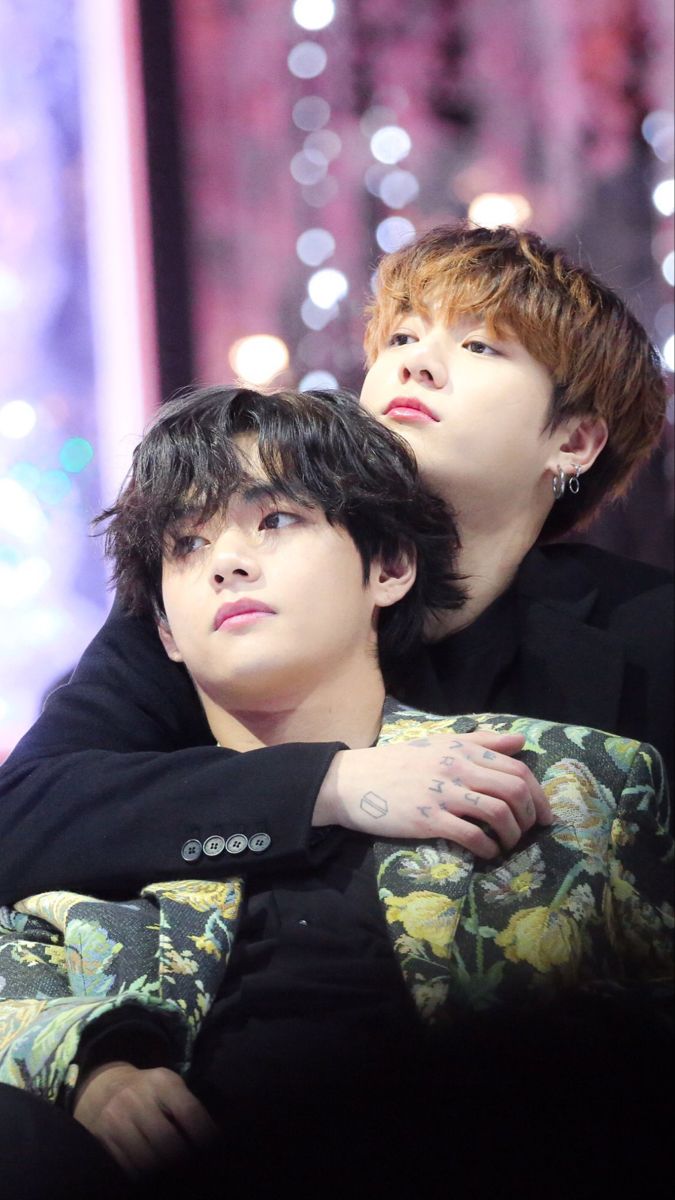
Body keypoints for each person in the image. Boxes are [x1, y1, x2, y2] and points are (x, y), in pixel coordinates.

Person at [0, 387, 671, 1199]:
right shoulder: (85, 843)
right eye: (187, 543)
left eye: (275, 519)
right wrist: (92, 1071)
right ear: (166, 635)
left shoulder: (576, 779)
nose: (226, 560)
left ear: (388, 566)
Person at [0, 223, 671, 908]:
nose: (416, 366)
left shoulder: (649, 635)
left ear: (574, 440)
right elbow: (23, 820)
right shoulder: (224, 595)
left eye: (477, 346)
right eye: (402, 339)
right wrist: (331, 784)